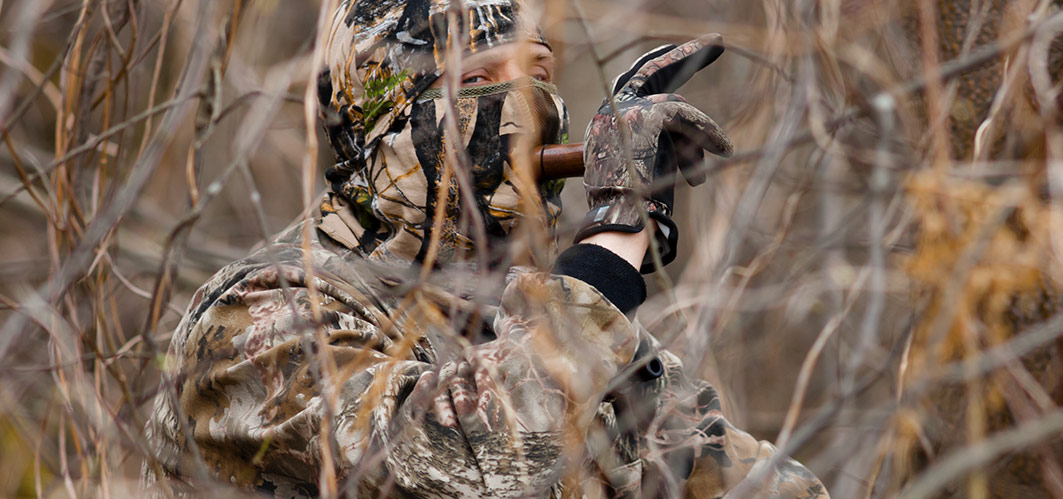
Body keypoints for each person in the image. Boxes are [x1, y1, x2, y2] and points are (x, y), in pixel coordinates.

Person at [146, 0, 829, 497]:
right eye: (476, 80)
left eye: (538, 71)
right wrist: (614, 240)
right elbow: (470, 461)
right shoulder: (255, 317)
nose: (527, 105)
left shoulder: (525, 315)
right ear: (385, 116)